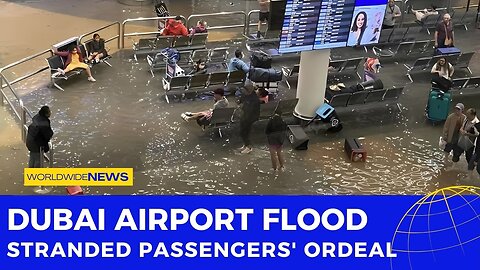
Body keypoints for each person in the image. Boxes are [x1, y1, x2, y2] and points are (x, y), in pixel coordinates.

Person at [238, 83, 260, 154]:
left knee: (245, 132)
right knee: (242, 131)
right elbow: (240, 101)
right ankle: (245, 145)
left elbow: (251, 110)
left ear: (249, 91)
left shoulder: (254, 99)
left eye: (245, 91)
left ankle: (249, 147)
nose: (243, 92)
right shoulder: (245, 95)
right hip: (244, 116)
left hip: (250, 117)